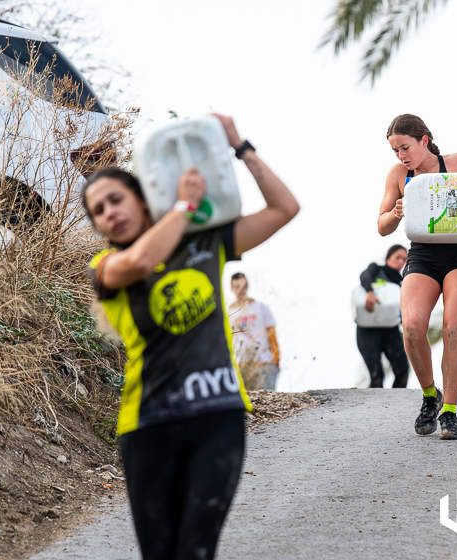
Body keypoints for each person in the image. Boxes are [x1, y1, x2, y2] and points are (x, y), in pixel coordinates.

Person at [82, 114, 299, 560]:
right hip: (148, 426)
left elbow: (284, 209)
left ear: (143, 200)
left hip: (218, 418)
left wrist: (240, 147)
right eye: (99, 211)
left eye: (116, 200)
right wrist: (182, 207)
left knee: (196, 551)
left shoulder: (206, 244)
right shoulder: (106, 267)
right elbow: (142, 262)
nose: (110, 213)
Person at [379, 114, 457, 439]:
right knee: (412, 327)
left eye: (405, 147)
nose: (401, 156)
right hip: (422, 254)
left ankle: (449, 411)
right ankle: (428, 395)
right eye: (395, 151)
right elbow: (381, 225)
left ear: (424, 140)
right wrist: (394, 213)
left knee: (452, 328)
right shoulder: (398, 175)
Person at [356, 244, 410, 388]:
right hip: (367, 330)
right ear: (388, 258)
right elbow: (364, 276)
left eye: (404, 259)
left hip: (390, 331)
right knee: (377, 376)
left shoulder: (403, 282)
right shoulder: (376, 270)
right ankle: (374, 410)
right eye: (397, 257)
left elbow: (403, 308)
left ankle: (396, 405)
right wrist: (370, 292)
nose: (401, 262)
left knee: (403, 371)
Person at [229, 272, 281, 391]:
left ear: (247, 287)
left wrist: (276, 359)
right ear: (231, 288)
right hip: (243, 366)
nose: (241, 290)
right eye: (237, 287)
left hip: (264, 364)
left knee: (268, 403)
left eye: (244, 286)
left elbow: (272, 333)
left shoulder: (261, 307)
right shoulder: (229, 312)